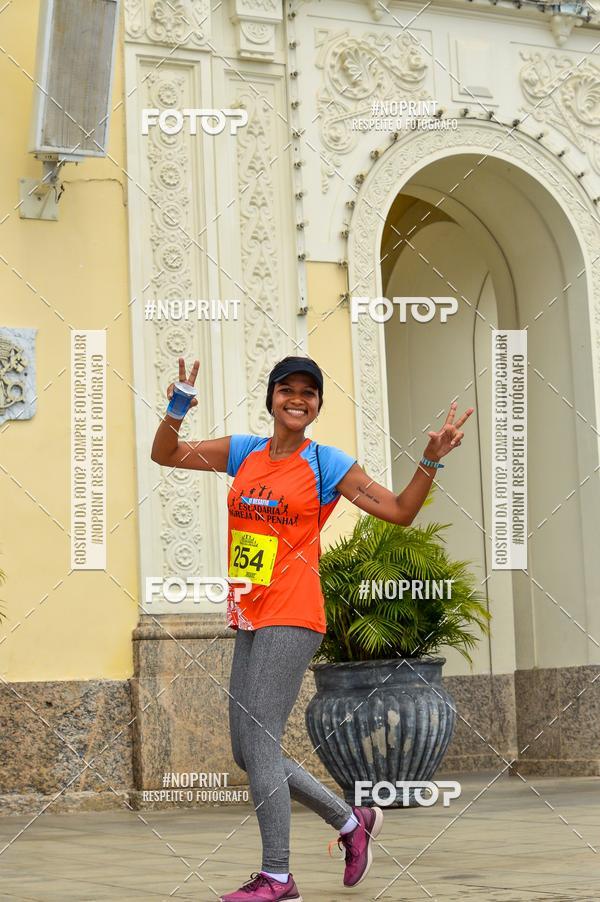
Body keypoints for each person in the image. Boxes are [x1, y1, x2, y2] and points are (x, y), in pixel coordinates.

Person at [151, 355, 473, 902]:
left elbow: (398, 510)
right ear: (272, 397)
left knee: (260, 743)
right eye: (287, 389)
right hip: (251, 611)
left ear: (318, 404)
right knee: (247, 751)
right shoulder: (243, 452)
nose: (297, 399)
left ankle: (278, 876)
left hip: (294, 612)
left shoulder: (326, 464)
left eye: (309, 392)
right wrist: (177, 408)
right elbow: (166, 454)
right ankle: (352, 823)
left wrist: (429, 460)